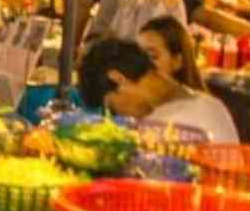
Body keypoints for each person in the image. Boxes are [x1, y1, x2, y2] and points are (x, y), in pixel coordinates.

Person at [79, 36, 239, 143]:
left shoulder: (162, 127)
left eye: (113, 108)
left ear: (118, 78)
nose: (122, 116)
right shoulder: (211, 104)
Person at [137, 14, 205, 90]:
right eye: (138, 54)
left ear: (177, 61)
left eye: (152, 56)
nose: (140, 63)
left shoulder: (187, 100)